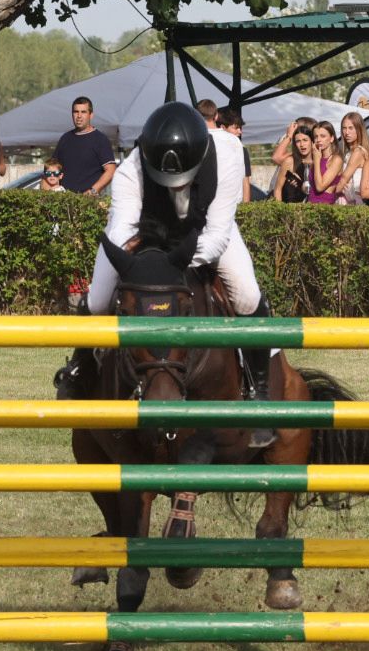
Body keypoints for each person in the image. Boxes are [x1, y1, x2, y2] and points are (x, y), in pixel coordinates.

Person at [62, 102, 275, 441]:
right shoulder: (132, 167)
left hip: (206, 233)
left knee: (248, 294)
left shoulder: (229, 152)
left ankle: (260, 390)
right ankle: (80, 366)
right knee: (100, 297)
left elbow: (218, 234)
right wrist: (151, 265)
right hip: (147, 238)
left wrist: (175, 263)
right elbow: (120, 232)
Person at [53, 96, 116, 196]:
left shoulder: (100, 140)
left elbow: (111, 170)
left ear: (91, 115)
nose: (79, 116)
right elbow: (52, 168)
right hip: (64, 200)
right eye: (76, 112)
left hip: (88, 203)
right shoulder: (65, 138)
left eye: (83, 112)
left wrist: (93, 191)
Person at [215, 107, 251, 202]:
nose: (240, 132)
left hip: (235, 205)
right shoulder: (209, 148)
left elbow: (245, 181)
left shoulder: (242, 150)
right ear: (222, 128)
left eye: (240, 128)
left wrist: (246, 210)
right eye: (236, 128)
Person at [306, 121, 344, 204]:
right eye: (316, 137)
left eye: (322, 136)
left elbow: (320, 187)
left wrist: (316, 160)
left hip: (324, 206)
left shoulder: (336, 159)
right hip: (310, 204)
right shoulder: (317, 156)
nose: (318, 140)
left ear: (332, 138)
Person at [337, 112, 369, 205]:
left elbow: (343, 179)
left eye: (351, 128)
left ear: (359, 129)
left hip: (355, 202)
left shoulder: (358, 152)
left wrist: (325, 194)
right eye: (344, 128)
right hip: (346, 199)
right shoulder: (348, 152)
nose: (347, 132)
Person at [272, 126, 312, 203]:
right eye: (298, 141)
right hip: (285, 208)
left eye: (305, 140)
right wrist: (279, 210)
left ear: (312, 141)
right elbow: (277, 189)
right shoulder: (289, 161)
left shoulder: (318, 161)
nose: (302, 144)